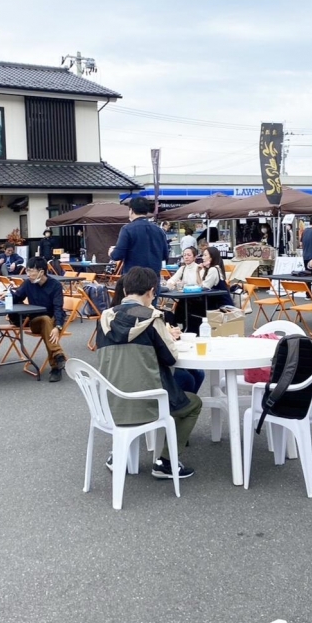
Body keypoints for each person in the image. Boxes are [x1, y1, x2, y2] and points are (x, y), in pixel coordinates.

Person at [96, 266, 201, 478]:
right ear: (151, 291)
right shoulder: (152, 318)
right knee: (193, 403)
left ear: (125, 290)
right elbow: (171, 358)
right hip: (147, 404)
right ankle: (166, 462)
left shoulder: (105, 318)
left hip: (108, 405)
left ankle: (118, 455)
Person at [8, 257, 68, 382]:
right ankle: (58, 356)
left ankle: (56, 365)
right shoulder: (28, 284)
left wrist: (58, 327)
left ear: (41, 271)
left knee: (48, 322)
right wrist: (8, 293)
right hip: (35, 322)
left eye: (31, 271)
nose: (28, 274)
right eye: (27, 271)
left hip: (53, 321)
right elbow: (17, 297)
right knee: (45, 320)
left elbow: (58, 308)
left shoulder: (55, 285)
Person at [109, 196, 169, 306]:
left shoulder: (127, 229)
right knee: (150, 313)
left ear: (131, 210)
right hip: (153, 279)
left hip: (133, 280)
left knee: (131, 314)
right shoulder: (159, 231)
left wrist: (112, 252)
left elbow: (117, 255)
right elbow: (165, 255)